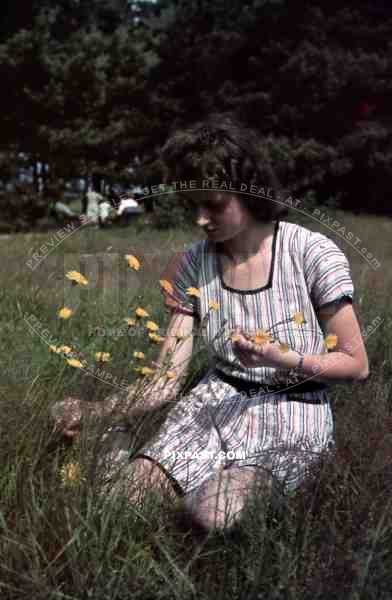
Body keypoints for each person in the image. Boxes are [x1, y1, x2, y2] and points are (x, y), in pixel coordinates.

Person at [50, 114, 369, 534]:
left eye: (214, 204)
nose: (201, 218)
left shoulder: (311, 252)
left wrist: (282, 358)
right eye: (193, 206)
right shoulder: (191, 264)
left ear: (247, 191)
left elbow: (356, 364)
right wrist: (93, 412)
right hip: (212, 407)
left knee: (212, 514)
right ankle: (118, 438)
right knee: (120, 502)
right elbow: (164, 381)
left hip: (292, 412)